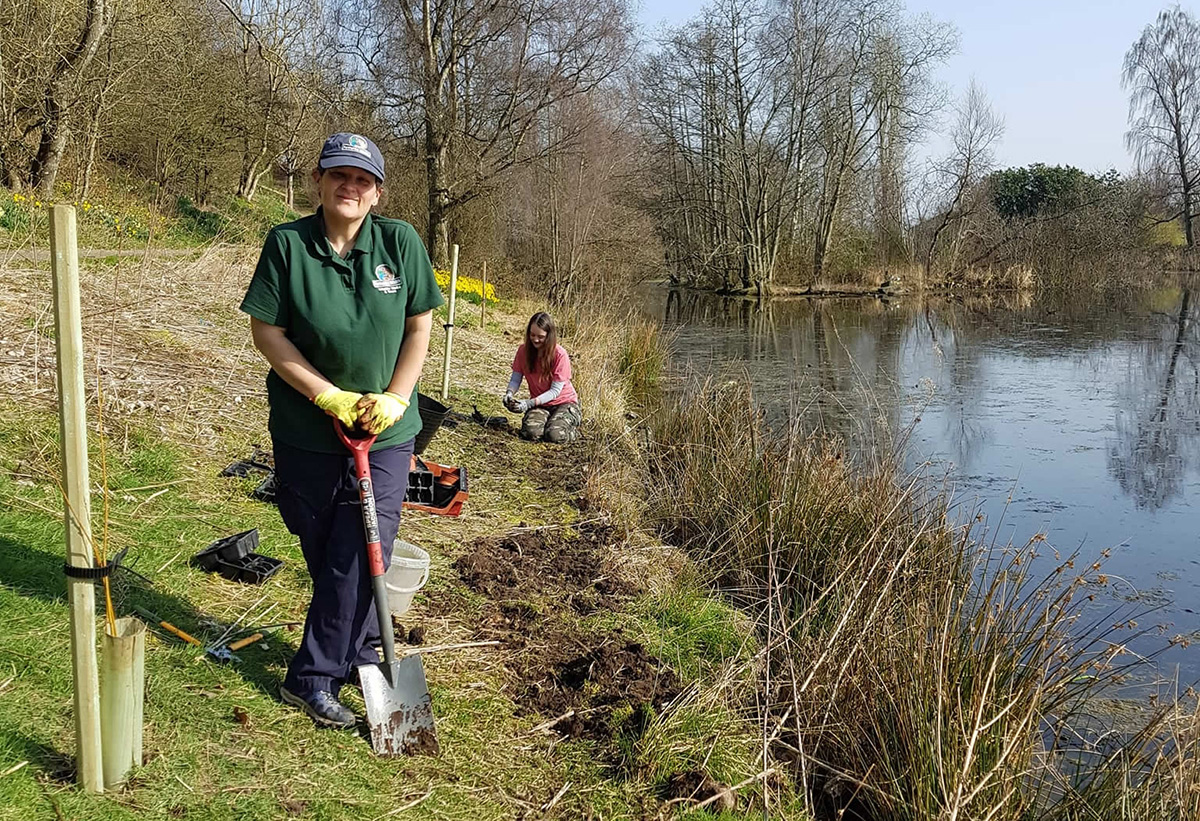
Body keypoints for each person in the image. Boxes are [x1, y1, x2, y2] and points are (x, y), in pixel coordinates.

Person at [239, 132, 444, 728]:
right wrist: (325, 393)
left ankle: (311, 677)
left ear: (377, 192)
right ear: (319, 181)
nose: (350, 187)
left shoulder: (399, 243)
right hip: (306, 429)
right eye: (339, 175)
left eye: (363, 179)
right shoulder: (287, 245)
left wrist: (396, 395)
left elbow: (419, 327)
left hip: (385, 432)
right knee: (325, 547)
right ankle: (360, 650)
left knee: (358, 551)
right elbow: (267, 332)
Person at [504, 312, 581, 443]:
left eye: (541, 337)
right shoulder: (523, 351)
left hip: (564, 403)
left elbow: (555, 391)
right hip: (540, 404)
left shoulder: (560, 355)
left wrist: (528, 404)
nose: (535, 340)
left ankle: (573, 431)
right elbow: (516, 378)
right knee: (531, 433)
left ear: (549, 336)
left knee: (554, 435)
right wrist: (509, 393)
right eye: (532, 335)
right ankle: (548, 423)